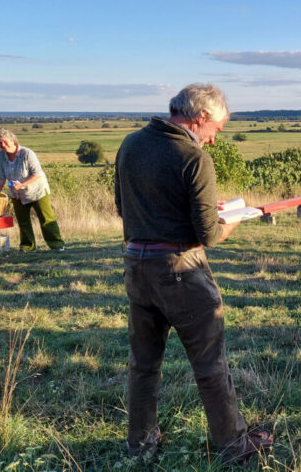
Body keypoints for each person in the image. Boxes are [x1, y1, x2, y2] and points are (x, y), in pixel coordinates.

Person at [114, 83, 273, 465]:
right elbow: (210, 235)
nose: (214, 139)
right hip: (181, 270)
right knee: (209, 361)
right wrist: (236, 217)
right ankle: (233, 443)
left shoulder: (130, 145)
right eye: (215, 129)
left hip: (136, 267)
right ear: (200, 117)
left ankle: (140, 444)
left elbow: (124, 208)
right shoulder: (193, 157)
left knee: (143, 363)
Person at [0, 128, 65, 252]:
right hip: (17, 193)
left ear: (13, 140)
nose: (2, 145)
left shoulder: (27, 153)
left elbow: (37, 174)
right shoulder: (0, 156)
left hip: (37, 191)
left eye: (5, 142)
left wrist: (21, 185)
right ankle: (27, 247)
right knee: (23, 220)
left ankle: (56, 245)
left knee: (46, 218)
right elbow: (0, 177)